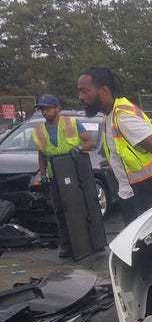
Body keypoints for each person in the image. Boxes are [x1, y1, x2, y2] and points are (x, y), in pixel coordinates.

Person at [77, 66, 152, 224]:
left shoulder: (123, 117)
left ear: (104, 90)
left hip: (146, 195)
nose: (80, 97)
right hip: (132, 194)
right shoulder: (109, 117)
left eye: (85, 91)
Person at [31, 94, 96, 258]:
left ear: (57, 108)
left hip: (75, 174)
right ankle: (67, 246)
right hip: (56, 177)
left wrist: (79, 148)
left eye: (47, 108)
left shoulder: (72, 123)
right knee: (61, 211)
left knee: (81, 208)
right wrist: (43, 173)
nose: (44, 112)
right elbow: (42, 154)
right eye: (42, 109)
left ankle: (89, 243)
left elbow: (90, 142)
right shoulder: (39, 131)